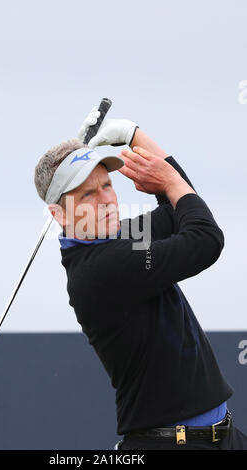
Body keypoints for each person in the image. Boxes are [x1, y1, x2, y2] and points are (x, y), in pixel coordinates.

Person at [34, 106, 247, 450]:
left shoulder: (121, 239)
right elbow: (206, 240)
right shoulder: (101, 270)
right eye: (88, 194)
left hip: (222, 437)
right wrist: (170, 180)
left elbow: (180, 207)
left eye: (107, 185)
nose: (107, 200)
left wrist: (135, 136)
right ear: (58, 214)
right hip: (171, 444)